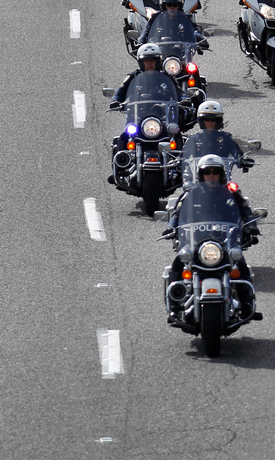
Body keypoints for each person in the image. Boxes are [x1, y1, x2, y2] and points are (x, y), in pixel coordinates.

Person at [164, 154, 262, 321]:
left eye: (215, 172)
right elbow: (178, 212)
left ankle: (247, 305)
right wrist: (171, 227)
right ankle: (175, 306)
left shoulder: (231, 193)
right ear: (201, 175)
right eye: (207, 172)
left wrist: (251, 226)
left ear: (221, 174)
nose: (211, 175)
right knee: (179, 262)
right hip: (196, 241)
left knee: (240, 264)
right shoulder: (191, 194)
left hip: (224, 241)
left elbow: (245, 211)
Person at [107, 43, 180, 170]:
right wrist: (116, 100)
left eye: (152, 61)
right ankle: (119, 168)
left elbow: (179, 91)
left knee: (176, 135)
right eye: (146, 61)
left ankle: (179, 166)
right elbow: (122, 89)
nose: (149, 64)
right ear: (141, 62)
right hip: (137, 116)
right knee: (124, 137)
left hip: (160, 116)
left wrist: (184, 100)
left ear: (158, 62)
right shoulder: (133, 76)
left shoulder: (166, 78)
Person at [138, 0, 208, 49]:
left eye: (175, 5)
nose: (172, 7)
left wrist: (200, 38)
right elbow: (146, 32)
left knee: (191, 64)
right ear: (164, 6)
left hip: (182, 52)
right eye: (169, 5)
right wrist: (140, 40)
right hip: (159, 51)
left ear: (179, 6)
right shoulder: (156, 18)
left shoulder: (185, 18)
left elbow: (194, 30)